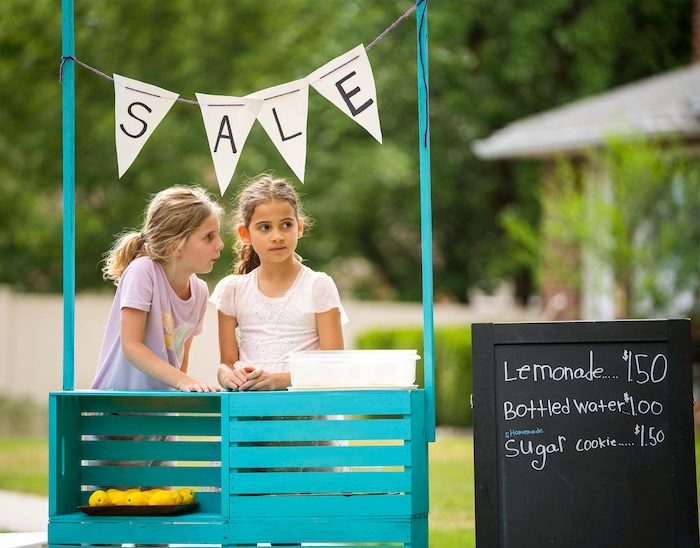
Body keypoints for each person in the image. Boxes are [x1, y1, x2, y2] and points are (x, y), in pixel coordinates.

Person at [210, 174, 347, 391]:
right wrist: (228, 377)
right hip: (252, 414)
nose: (277, 236)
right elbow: (226, 363)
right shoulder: (233, 291)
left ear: (299, 228)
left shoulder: (317, 286)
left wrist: (276, 381)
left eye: (286, 225)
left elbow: (332, 367)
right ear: (245, 234)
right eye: (265, 227)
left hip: (307, 415)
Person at [91, 185, 223, 393]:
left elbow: (180, 359)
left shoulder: (200, 291)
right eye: (209, 237)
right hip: (115, 411)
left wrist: (180, 394)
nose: (220, 244)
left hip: (160, 412)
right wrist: (184, 381)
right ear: (175, 246)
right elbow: (132, 347)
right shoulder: (142, 272)